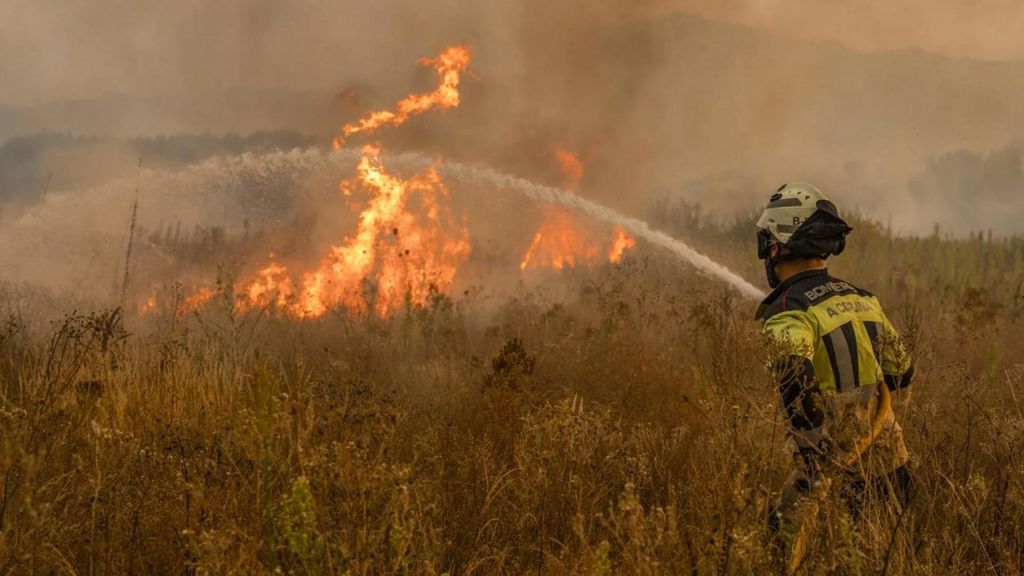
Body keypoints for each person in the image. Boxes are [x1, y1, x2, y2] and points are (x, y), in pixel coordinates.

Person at [754, 183, 914, 571]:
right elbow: (901, 371)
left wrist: (813, 454)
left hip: (829, 474)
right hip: (894, 470)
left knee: (779, 550)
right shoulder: (862, 297)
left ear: (776, 245)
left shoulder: (788, 307)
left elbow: (794, 376)